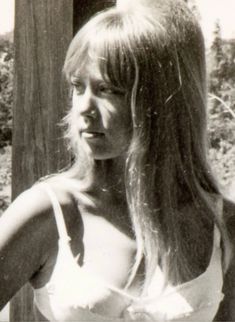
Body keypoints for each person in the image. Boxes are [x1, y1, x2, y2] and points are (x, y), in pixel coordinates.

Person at [0, 0, 235, 320]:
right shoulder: (48, 212)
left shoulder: (220, 223)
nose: (84, 108)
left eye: (107, 89)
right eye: (77, 86)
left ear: (160, 102)